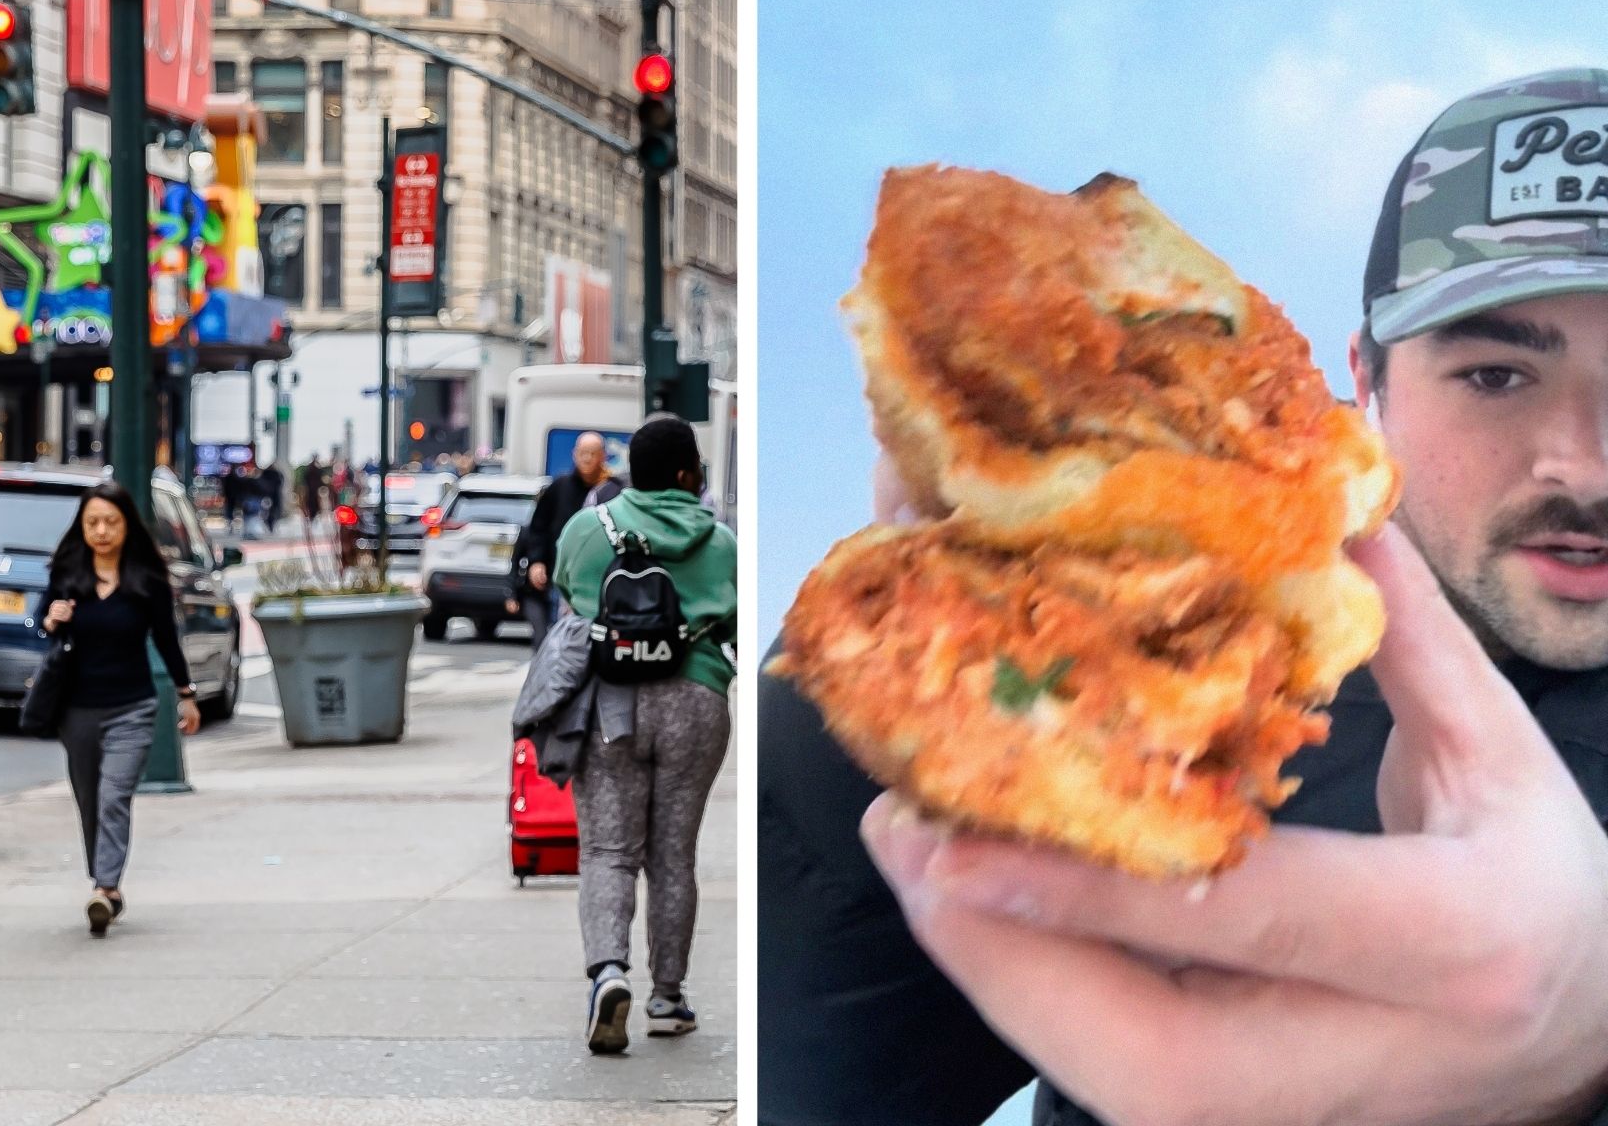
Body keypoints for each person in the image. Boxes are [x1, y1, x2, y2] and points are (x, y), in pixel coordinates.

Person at [760, 67, 1608, 1126]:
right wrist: (842, 751)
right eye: (1495, 375)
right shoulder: (1189, 674)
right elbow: (831, 1086)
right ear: (1361, 388)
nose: (1582, 467)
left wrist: (1582, 1065)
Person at [520, 415, 735, 1055]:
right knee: (673, 855)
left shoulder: (589, 528)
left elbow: (565, 591)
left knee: (609, 852)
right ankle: (668, 997)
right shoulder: (720, 541)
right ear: (686, 474)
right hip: (696, 701)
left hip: (611, 705)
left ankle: (608, 975)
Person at [37, 482, 200, 936]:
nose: (102, 531)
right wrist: (52, 619)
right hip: (77, 709)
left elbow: (167, 639)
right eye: (93, 523)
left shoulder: (146, 579)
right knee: (89, 800)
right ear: (82, 527)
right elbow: (42, 622)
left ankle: (105, 886)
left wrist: (186, 694)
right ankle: (103, 883)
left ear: (127, 525)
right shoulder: (69, 572)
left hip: (132, 707)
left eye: (111, 522)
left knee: (113, 797)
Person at [513, 431, 612, 637]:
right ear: (574, 454)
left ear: (603, 456)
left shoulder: (611, 490)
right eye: (582, 453)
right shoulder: (559, 487)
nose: (586, 458)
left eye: (592, 453)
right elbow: (538, 528)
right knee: (559, 636)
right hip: (561, 576)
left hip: (600, 577)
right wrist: (536, 561)